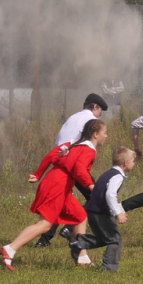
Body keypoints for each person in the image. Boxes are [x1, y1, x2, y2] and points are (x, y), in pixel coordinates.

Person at [0, 119, 107, 271]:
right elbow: (79, 169)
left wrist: (38, 174)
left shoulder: (73, 143)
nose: (106, 136)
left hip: (57, 183)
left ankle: (82, 256)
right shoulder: (89, 150)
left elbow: (51, 156)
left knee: (80, 215)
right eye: (104, 133)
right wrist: (92, 187)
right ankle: (10, 249)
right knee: (45, 225)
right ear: (95, 134)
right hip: (57, 186)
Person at [34, 93, 108, 247]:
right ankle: (71, 228)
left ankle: (44, 240)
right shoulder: (92, 122)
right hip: (75, 166)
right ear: (95, 107)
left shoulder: (72, 118)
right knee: (96, 196)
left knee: (60, 201)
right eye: (100, 110)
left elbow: (59, 142)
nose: (101, 114)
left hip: (61, 163)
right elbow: (83, 145)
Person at [71, 147, 137, 273]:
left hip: (92, 210)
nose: (134, 164)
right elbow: (110, 194)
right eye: (133, 161)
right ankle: (108, 269)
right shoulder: (117, 176)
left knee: (105, 239)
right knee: (114, 239)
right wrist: (118, 213)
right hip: (101, 212)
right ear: (125, 163)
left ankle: (80, 242)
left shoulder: (108, 173)